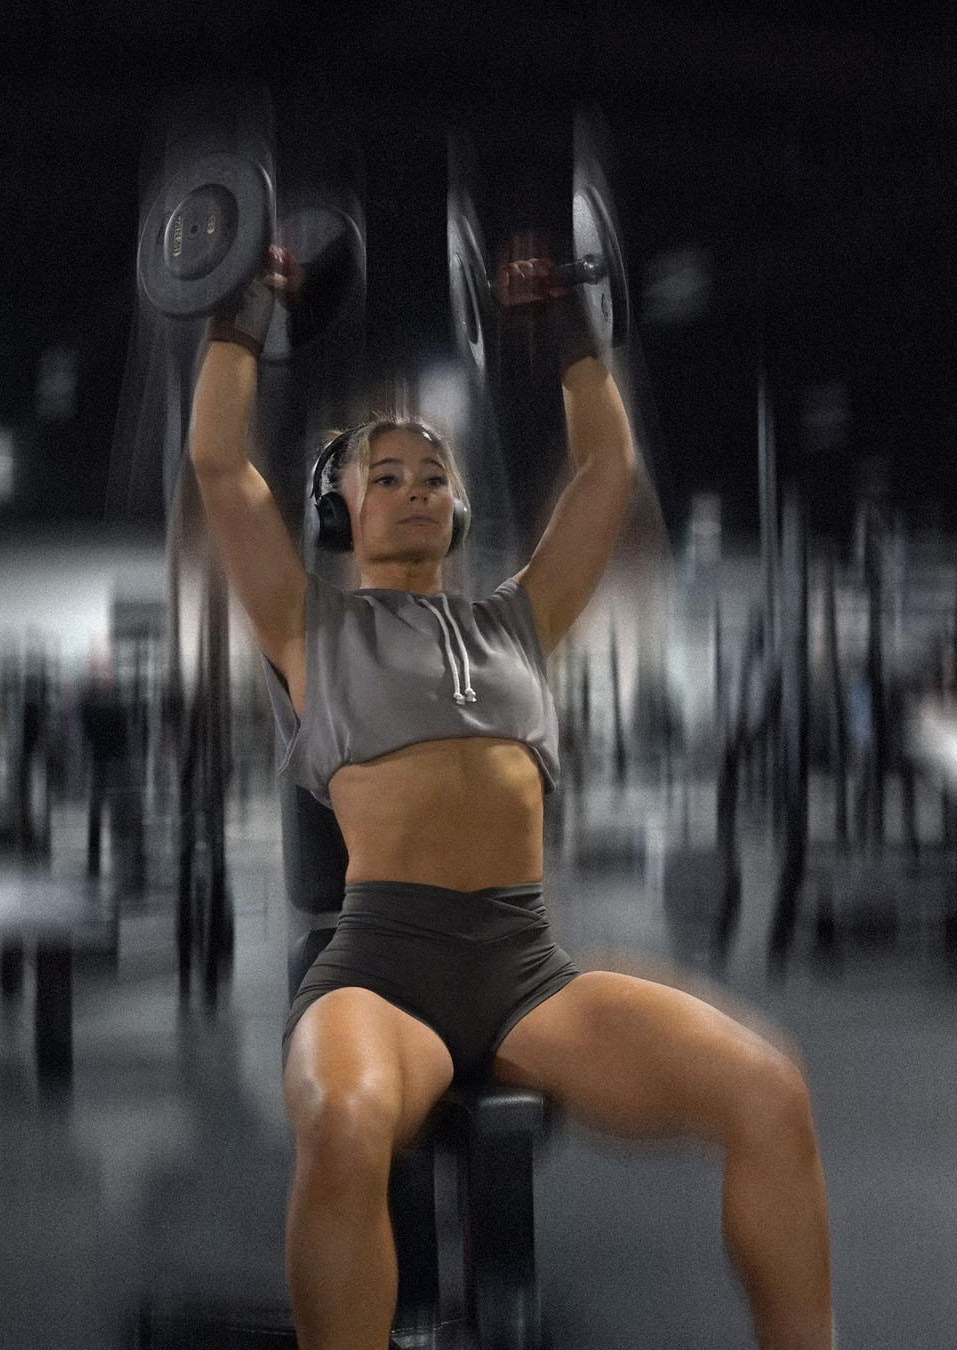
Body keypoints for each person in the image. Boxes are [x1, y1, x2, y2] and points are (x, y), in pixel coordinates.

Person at [187, 238, 833, 1350]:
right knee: (342, 1128)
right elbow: (217, 465)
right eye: (384, 474)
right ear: (339, 508)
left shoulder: (519, 623)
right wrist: (243, 314)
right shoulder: (310, 628)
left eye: (434, 473)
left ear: (463, 505)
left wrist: (575, 332)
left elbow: (604, 476)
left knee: (770, 1092)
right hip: (380, 972)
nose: (414, 488)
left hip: (526, 968)